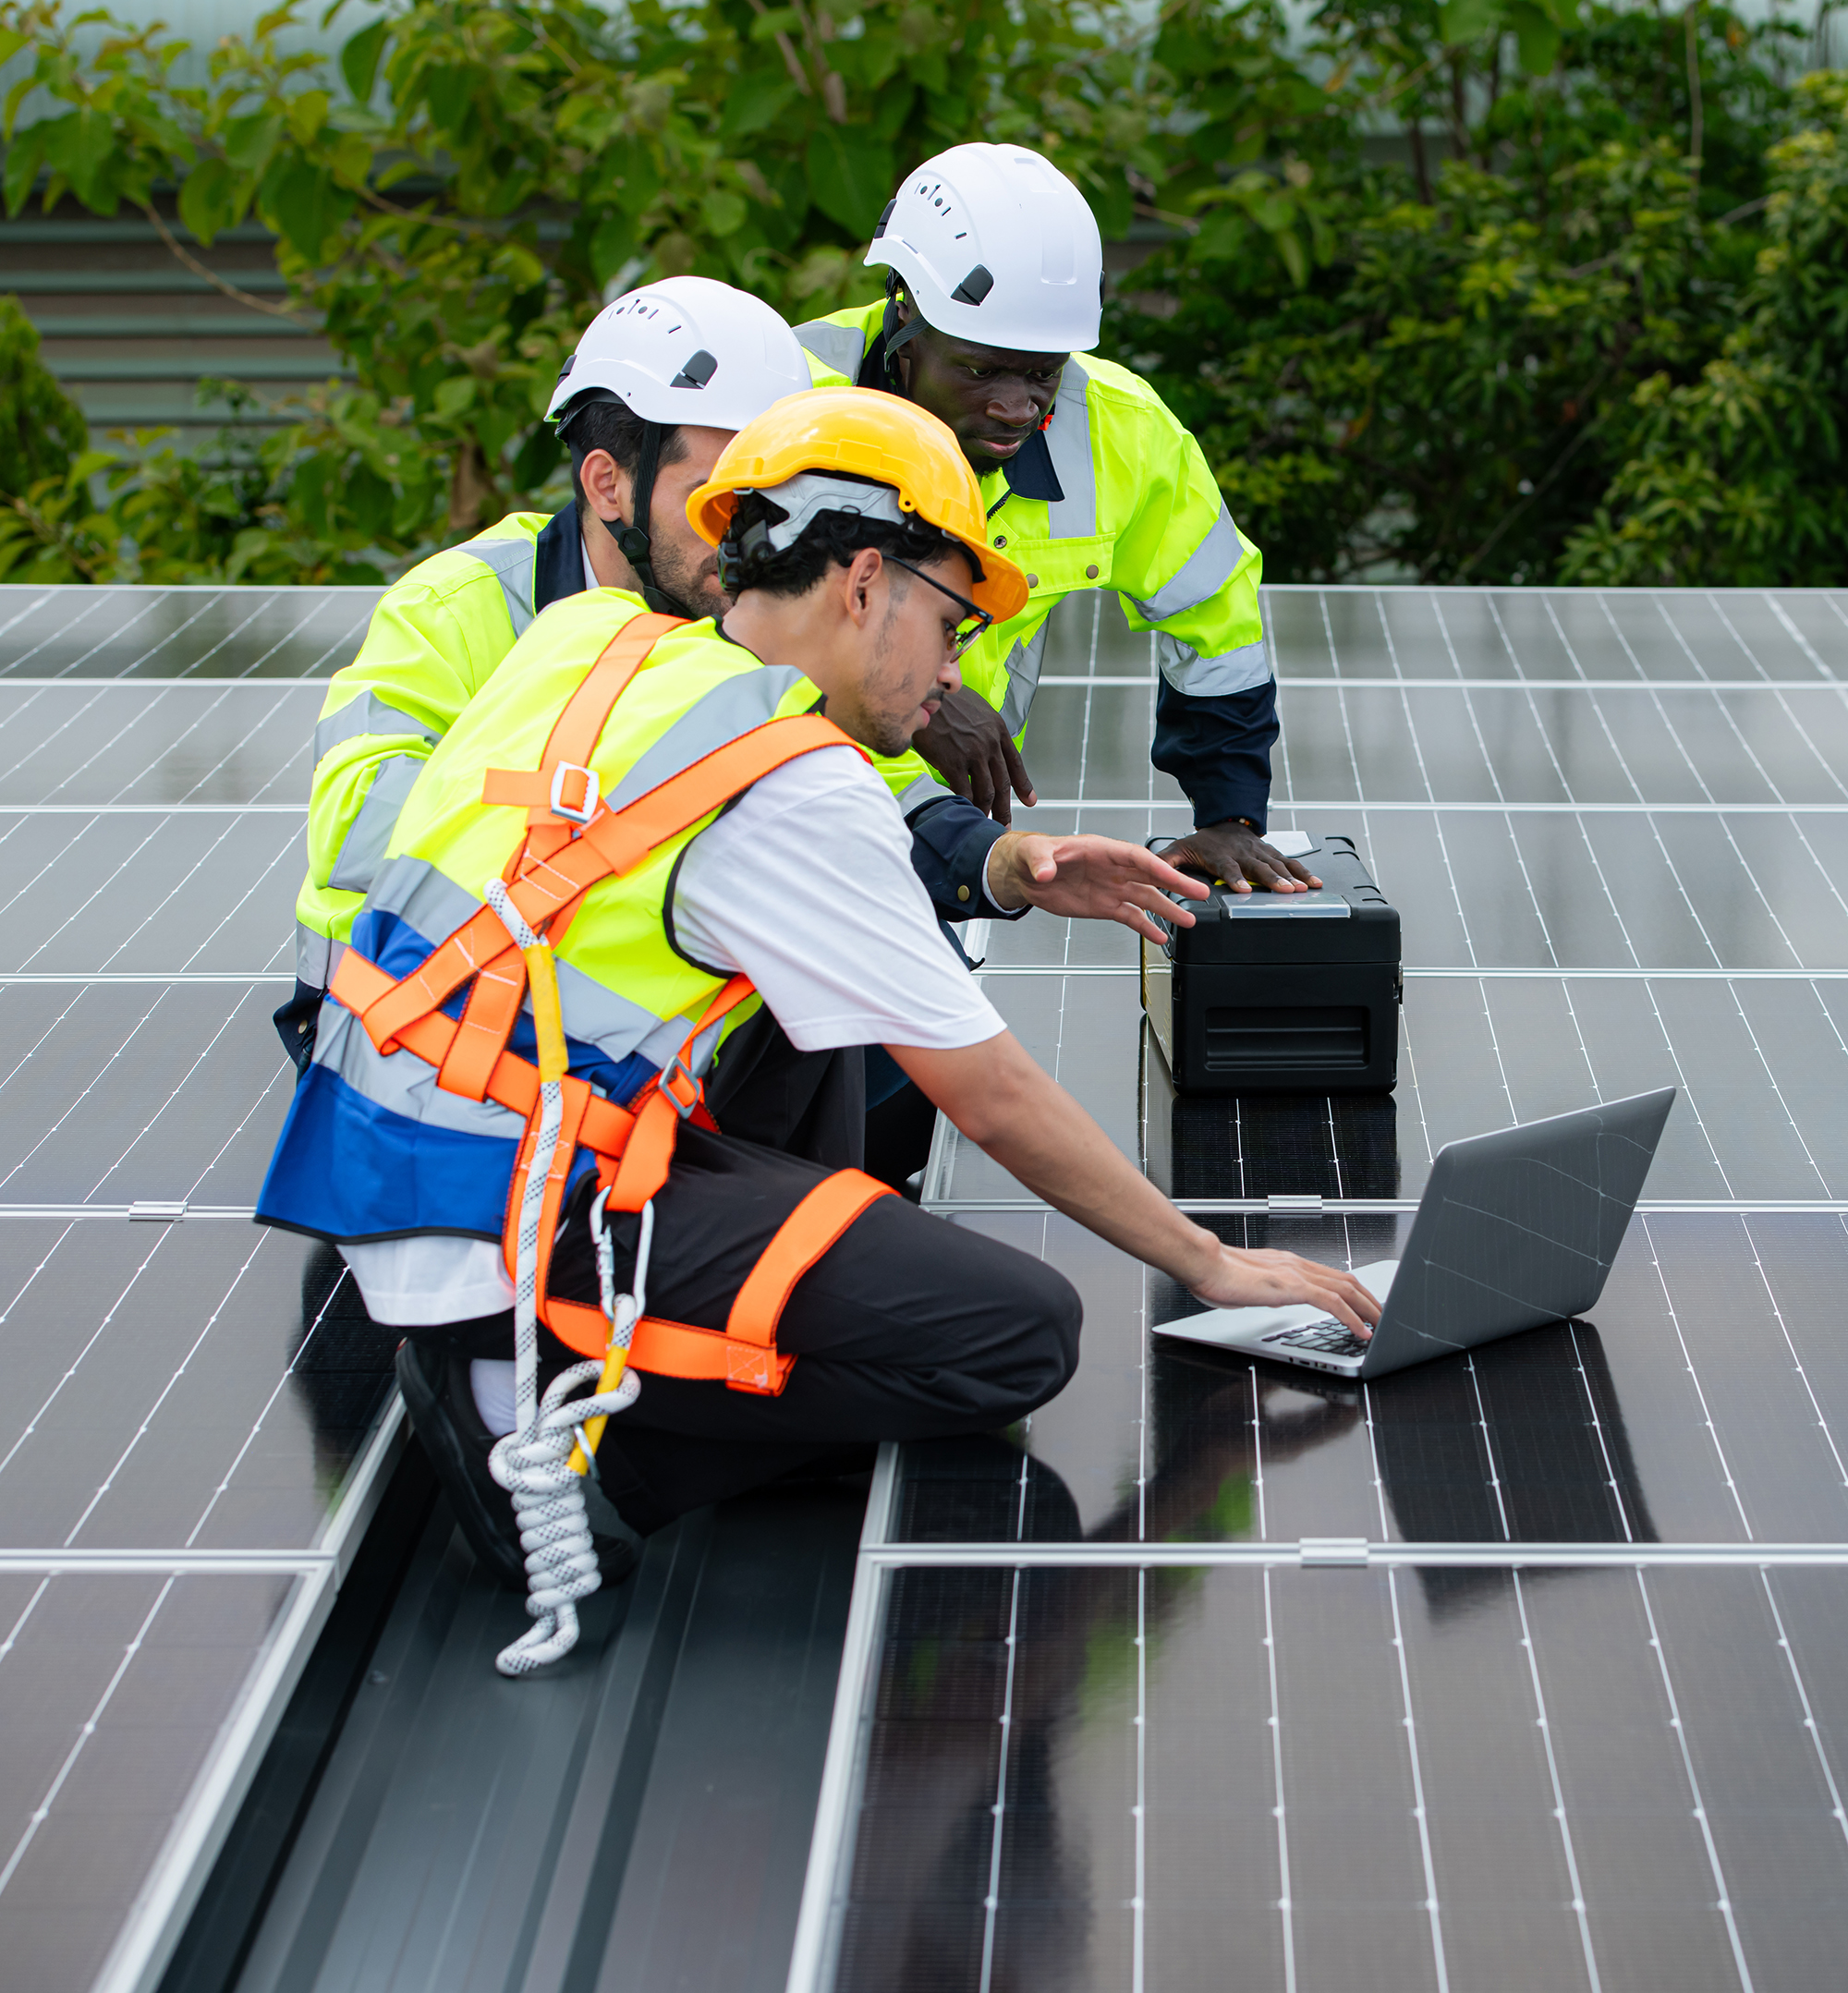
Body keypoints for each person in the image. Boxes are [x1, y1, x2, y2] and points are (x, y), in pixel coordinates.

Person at [253, 387, 1380, 1676]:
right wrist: (1213, 1263)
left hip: (409, 1162)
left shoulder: (592, 639)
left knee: (830, 1023)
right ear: (862, 583)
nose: (956, 671)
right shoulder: (793, 780)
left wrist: (1006, 867)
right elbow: (992, 1094)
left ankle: (654, 1312)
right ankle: (573, 1442)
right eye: (952, 623)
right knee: (1018, 1334)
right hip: (509, 1238)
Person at [279, 275, 815, 1064]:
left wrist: (972, 851)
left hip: (614, 1019)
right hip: (410, 1028)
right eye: (715, 497)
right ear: (608, 484)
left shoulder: (745, 604)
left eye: (770, 494)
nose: (752, 532)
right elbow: (357, 820)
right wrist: (622, 829)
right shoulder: (455, 604)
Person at [793, 141, 1319, 899]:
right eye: (979, 370)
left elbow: (1215, 619)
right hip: (781, 794)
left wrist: (1231, 817)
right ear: (904, 316)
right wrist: (914, 696)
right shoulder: (791, 400)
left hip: (956, 827)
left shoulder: (1122, 432)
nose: (1017, 405)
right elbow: (726, 628)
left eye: (1042, 371)